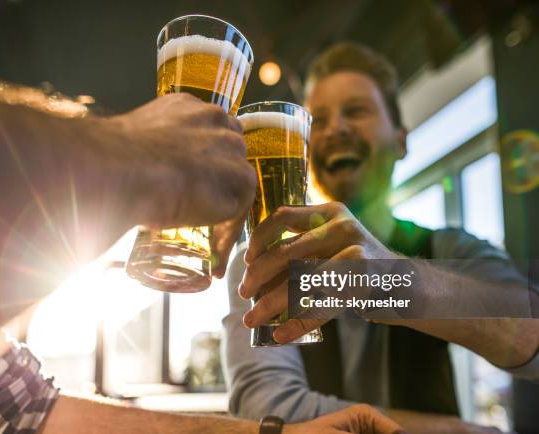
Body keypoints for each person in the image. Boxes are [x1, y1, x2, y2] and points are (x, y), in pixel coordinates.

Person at [0, 2, 405, 433]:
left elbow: (15, 410)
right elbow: (267, 396)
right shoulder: (251, 265)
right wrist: (137, 157)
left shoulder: (447, 252)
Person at [223, 42, 539, 433]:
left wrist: (398, 280)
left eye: (356, 111)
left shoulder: (450, 249)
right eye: (318, 120)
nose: (336, 129)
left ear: (402, 141)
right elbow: (264, 407)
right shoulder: (263, 257)